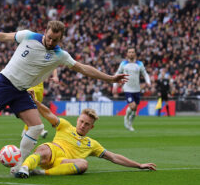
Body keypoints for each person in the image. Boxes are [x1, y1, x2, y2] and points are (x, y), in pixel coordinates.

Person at [0, 21, 128, 174]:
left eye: (55, 40)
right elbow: (3, 36)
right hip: (4, 83)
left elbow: (83, 68)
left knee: (37, 126)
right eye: (49, 37)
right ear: (46, 32)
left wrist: (110, 78)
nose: (50, 42)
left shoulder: (60, 55)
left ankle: (20, 166)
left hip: (21, 91)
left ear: (60, 39)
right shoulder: (29, 36)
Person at [15, 91, 156, 178]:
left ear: (91, 127)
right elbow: (48, 114)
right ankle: (25, 168)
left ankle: (41, 173)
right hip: (53, 151)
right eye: (82, 121)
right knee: (44, 149)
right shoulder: (64, 125)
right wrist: (36, 102)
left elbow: (113, 157)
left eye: (87, 124)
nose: (83, 125)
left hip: (64, 163)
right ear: (78, 120)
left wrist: (139, 165)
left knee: (83, 164)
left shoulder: (91, 144)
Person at [113, 47, 151, 131]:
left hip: (137, 89)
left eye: (132, 52)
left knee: (135, 109)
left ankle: (130, 124)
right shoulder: (123, 64)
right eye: (129, 52)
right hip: (127, 89)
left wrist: (148, 82)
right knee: (132, 106)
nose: (131, 54)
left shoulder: (139, 64)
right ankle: (126, 117)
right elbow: (117, 73)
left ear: (135, 54)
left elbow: (145, 74)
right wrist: (114, 85)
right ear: (127, 54)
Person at [21, 70, 59, 139]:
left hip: (40, 87)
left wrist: (55, 76)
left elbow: (54, 66)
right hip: (31, 86)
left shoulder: (44, 59)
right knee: (34, 109)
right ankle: (41, 130)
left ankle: (25, 131)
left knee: (38, 109)